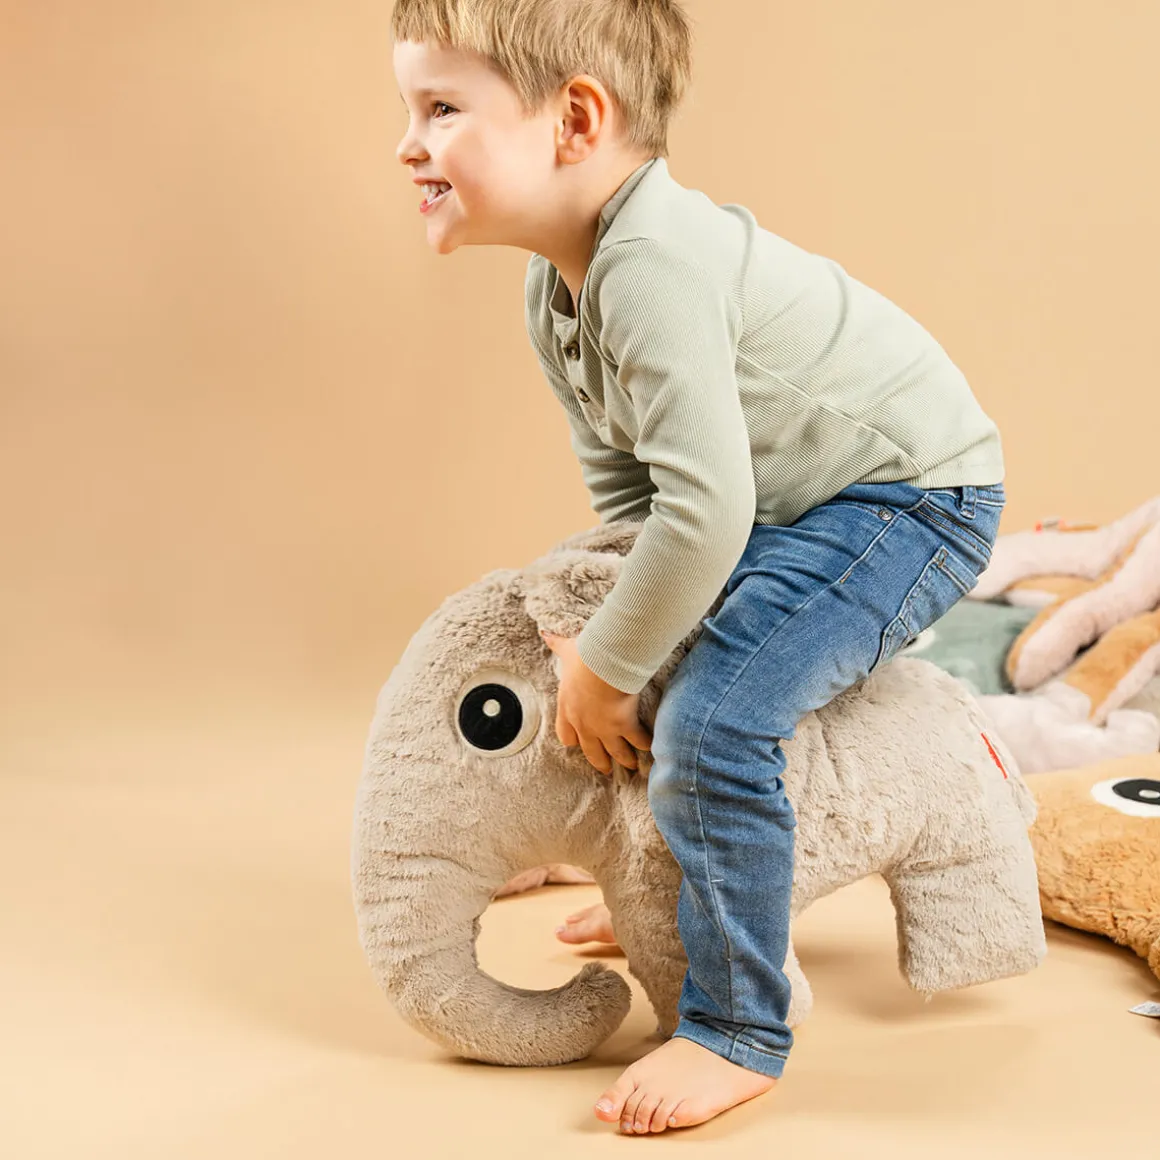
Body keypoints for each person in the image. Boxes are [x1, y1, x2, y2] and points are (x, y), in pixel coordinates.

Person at [393, 0, 1006, 1136]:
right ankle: (676, 884)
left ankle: (735, 1027)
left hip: (907, 499)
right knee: (658, 679)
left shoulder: (651, 266)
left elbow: (708, 511)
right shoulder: (555, 289)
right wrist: (608, 636)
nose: (406, 144)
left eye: (439, 109)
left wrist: (605, 664)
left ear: (575, 120)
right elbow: (638, 501)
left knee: (714, 720)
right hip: (788, 506)